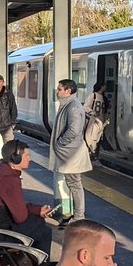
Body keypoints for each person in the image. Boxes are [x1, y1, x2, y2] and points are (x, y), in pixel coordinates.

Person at [0, 140, 52, 246]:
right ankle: (39, 262)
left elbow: (14, 205)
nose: (29, 159)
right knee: (44, 231)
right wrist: (36, 212)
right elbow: (20, 217)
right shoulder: (9, 179)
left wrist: (37, 210)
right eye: (26, 156)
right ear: (16, 158)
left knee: (37, 221)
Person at [48, 79, 91, 225]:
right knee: (72, 182)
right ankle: (77, 214)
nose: (57, 91)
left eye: (59, 89)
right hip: (69, 152)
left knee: (74, 183)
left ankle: (79, 216)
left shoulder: (73, 107)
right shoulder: (68, 104)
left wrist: (60, 143)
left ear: (68, 91)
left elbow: (74, 129)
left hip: (72, 153)